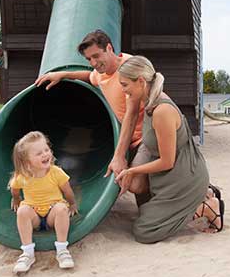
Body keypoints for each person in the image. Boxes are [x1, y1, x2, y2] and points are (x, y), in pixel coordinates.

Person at [115, 56, 225, 243]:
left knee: (144, 232)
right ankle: (195, 200)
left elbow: (167, 162)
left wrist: (132, 170)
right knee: (144, 217)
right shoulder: (149, 101)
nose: (124, 91)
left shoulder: (161, 110)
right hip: (169, 178)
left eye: (125, 85)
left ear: (141, 81)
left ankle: (205, 206)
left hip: (183, 178)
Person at [34, 30, 150, 200]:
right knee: (130, 183)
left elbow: (131, 117)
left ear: (109, 48)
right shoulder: (101, 73)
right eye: (89, 59)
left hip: (147, 137)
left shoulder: (130, 69)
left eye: (96, 56)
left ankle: (171, 187)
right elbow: (90, 76)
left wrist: (118, 156)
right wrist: (63, 74)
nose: (94, 62)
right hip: (131, 140)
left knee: (136, 184)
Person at [9, 131, 78, 273]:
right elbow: (14, 188)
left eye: (47, 150)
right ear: (27, 161)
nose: (45, 154)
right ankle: (27, 253)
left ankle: (62, 250)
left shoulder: (56, 172)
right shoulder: (22, 176)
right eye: (39, 153)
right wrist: (16, 199)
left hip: (52, 215)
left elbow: (67, 191)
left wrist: (72, 204)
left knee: (61, 208)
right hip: (34, 216)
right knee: (23, 210)